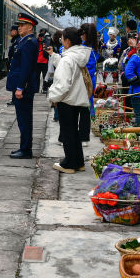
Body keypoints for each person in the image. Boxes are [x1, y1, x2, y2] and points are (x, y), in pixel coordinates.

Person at [48, 27, 92, 173]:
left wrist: (52, 96)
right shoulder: (78, 56)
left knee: (68, 132)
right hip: (77, 99)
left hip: (67, 100)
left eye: (62, 39)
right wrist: (54, 56)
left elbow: (62, 84)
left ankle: (69, 163)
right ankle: (79, 161)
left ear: (67, 41)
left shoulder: (67, 60)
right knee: (74, 131)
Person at [6, 12, 40, 159]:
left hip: (23, 88)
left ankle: (26, 150)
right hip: (20, 86)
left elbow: (26, 67)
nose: (19, 27)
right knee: (22, 119)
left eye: (22, 25)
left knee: (24, 119)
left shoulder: (29, 42)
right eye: (19, 25)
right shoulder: (24, 41)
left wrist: (20, 87)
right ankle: (23, 147)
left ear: (30, 27)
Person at [6, 25, 20, 106]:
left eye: (12, 30)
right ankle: (14, 100)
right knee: (14, 84)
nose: (11, 32)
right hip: (13, 65)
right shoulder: (15, 41)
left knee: (15, 84)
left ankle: (14, 100)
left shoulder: (17, 41)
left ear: (16, 31)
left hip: (15, 66)